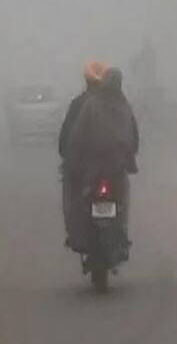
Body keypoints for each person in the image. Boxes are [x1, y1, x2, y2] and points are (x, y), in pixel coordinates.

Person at [65, 68, 139, 252]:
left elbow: (77, 135)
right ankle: (120, 231)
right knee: (120, 199)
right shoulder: (123, 105)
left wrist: (73, 159)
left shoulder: (92, 104)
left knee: (81, 197)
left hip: (95, 168)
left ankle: (84, 234)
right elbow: (134, 137)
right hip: (114, 168)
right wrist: (130, 158)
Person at [59, 61, 107, 243]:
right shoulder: (119, 103)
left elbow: (65, 138)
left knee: (71, 193)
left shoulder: (78, 104)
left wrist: (67, 155)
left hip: (83, 168)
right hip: (112, 167)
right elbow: (133, 136)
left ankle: (75, 231)